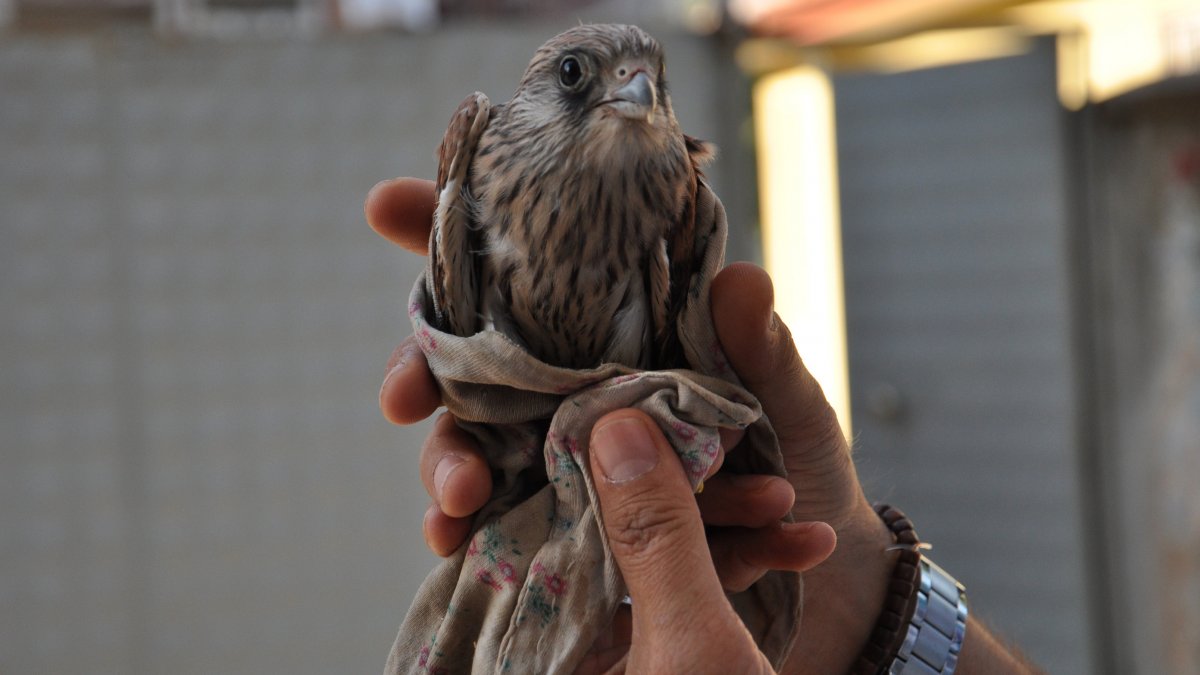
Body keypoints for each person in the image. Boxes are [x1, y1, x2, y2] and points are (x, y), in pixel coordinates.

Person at [367, 177, 1045, 673]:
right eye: (581, 74)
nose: (629, 91)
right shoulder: (491, 169)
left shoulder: (660, 184)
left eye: (647, 79)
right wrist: (861, 611)